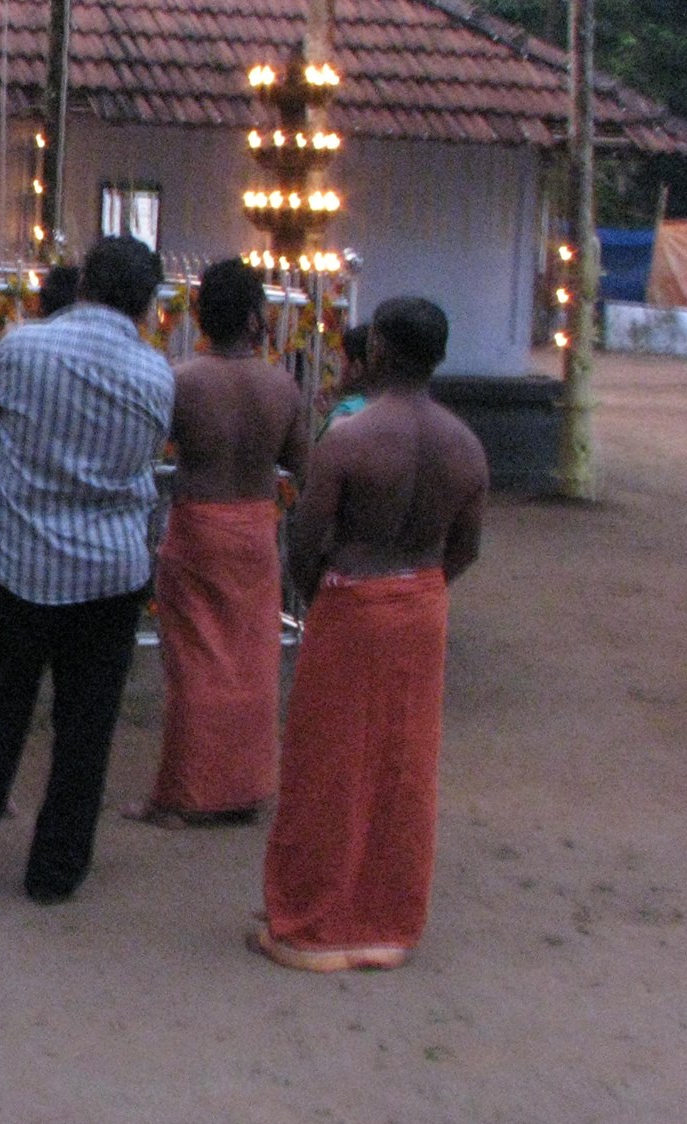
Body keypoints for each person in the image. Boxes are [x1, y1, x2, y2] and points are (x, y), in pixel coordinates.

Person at [0, 237, 174, 904]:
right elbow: (149, 455)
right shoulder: (157, 373)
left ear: (83, 287)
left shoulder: (22, 348)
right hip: (111, 571)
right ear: (147, 305)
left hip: (22, 565)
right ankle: (55, 873)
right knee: (86, 730)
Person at [253, 296, 487, 973]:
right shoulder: (465, 447)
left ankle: (310, 920)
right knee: (401, 767)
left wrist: (322, 590)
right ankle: (385, 919)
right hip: (421, 605)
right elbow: (465, 549)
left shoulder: (350, 439)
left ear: (376, 349)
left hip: (352, 603)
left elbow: (305, 539)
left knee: (325, 762)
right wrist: (420, 588)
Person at [127, 257, 309, 829]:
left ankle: (183, 794)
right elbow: (303, 464)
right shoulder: (281, 386)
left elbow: (145, 453)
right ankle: (245, 788)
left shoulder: (181, 381)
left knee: (193, 661)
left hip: (197, 524)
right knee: (253, 659)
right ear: (257, 319)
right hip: (254, 527)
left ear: (201, 317)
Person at [317, 321, 371, 437]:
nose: (339, 367)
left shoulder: (344, 416)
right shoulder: (393, 409)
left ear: (356, 368)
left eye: (342, 359)